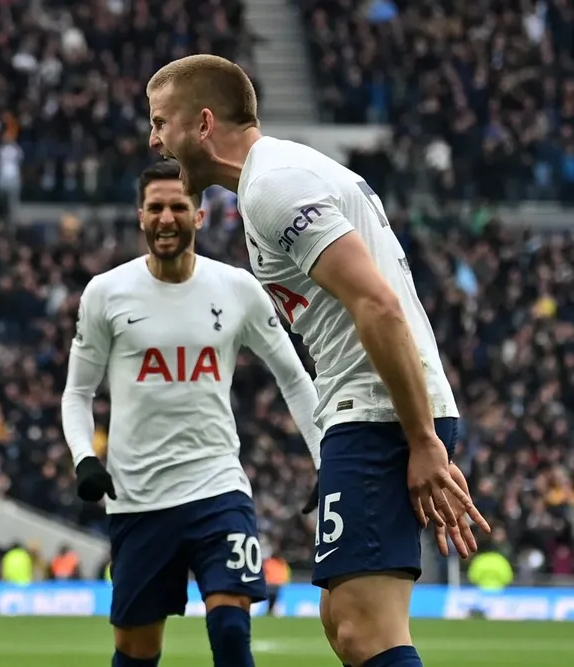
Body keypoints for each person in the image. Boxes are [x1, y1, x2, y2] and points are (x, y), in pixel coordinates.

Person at [144, 55, 491, 667]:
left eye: (160, 123)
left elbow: (378, 305)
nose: (153, 140)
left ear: (202, 123)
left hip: (382, 411)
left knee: (363, 628)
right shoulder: (284, 174)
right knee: (343, 620)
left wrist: (420, 441)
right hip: (365, 413)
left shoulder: (275, 186)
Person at [62, 159, 322, 667]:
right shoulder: (106, 293)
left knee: (230, 628)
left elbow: (293, 375)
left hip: (216, 487)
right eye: (155, 207)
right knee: (137, 653)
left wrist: (322, 455)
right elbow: (77, 392)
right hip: (137, 499)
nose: (166, 218)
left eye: (178, 207)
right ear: (140, 215)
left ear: (198, 216)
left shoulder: (238, 289)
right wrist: (83, 459)